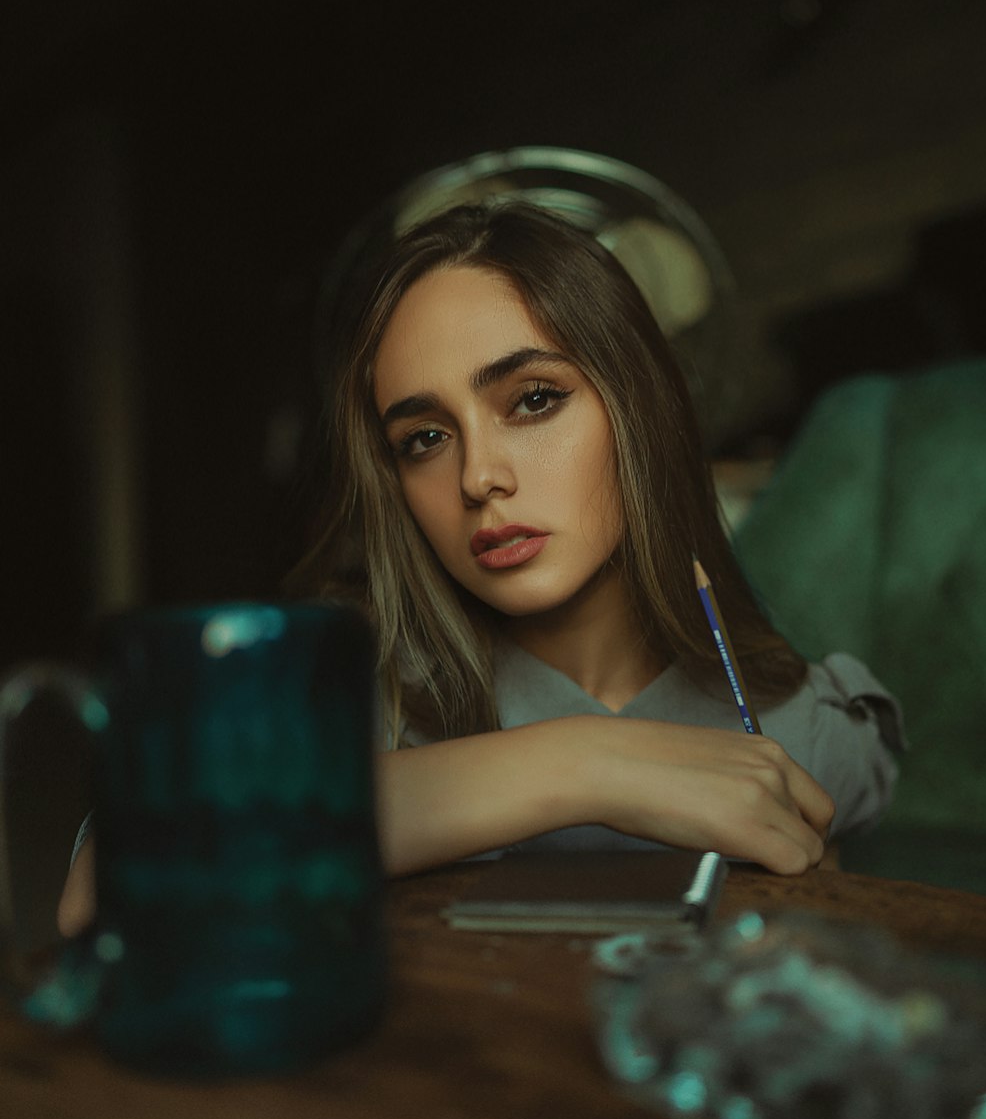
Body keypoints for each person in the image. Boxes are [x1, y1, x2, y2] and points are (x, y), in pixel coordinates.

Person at [57, 200, 901, 936]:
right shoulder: (364, 705)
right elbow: (102, 885)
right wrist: (579, 766)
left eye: (533, 399)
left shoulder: (800, 729)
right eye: (424, 438)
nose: (477, 478)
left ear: (643, 403)